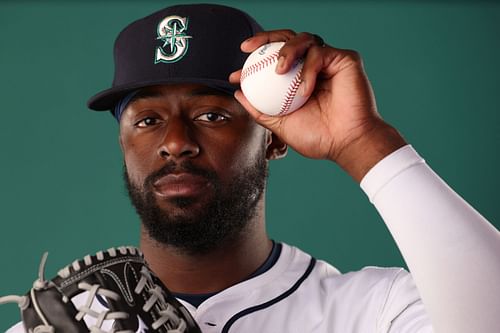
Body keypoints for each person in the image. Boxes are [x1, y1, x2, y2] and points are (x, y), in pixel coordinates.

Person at [6, 3, 500, 333]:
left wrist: (360, 140)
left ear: (274, 141)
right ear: (122, 142)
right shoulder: (66, 324)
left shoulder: (373, 312)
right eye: (148, 120)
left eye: (211, 115)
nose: (176, 142)